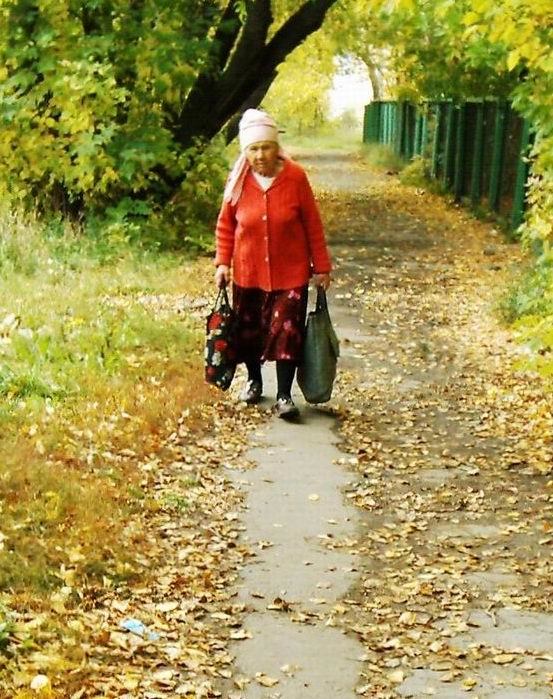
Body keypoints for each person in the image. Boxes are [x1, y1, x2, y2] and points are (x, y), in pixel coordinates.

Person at [214, 108, 331, 419]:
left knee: (287, 331)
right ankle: (253, 382)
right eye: (253, 148)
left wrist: (322, 266)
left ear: (276, 146)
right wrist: (222, 264)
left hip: (290, 272)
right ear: (245, 151)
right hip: (248, 271)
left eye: (265, 146)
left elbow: (312, 224)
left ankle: (283, 395)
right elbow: (225, 226)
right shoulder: (238, 180)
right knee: (249, 331)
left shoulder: (295, 177)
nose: (260, 155)